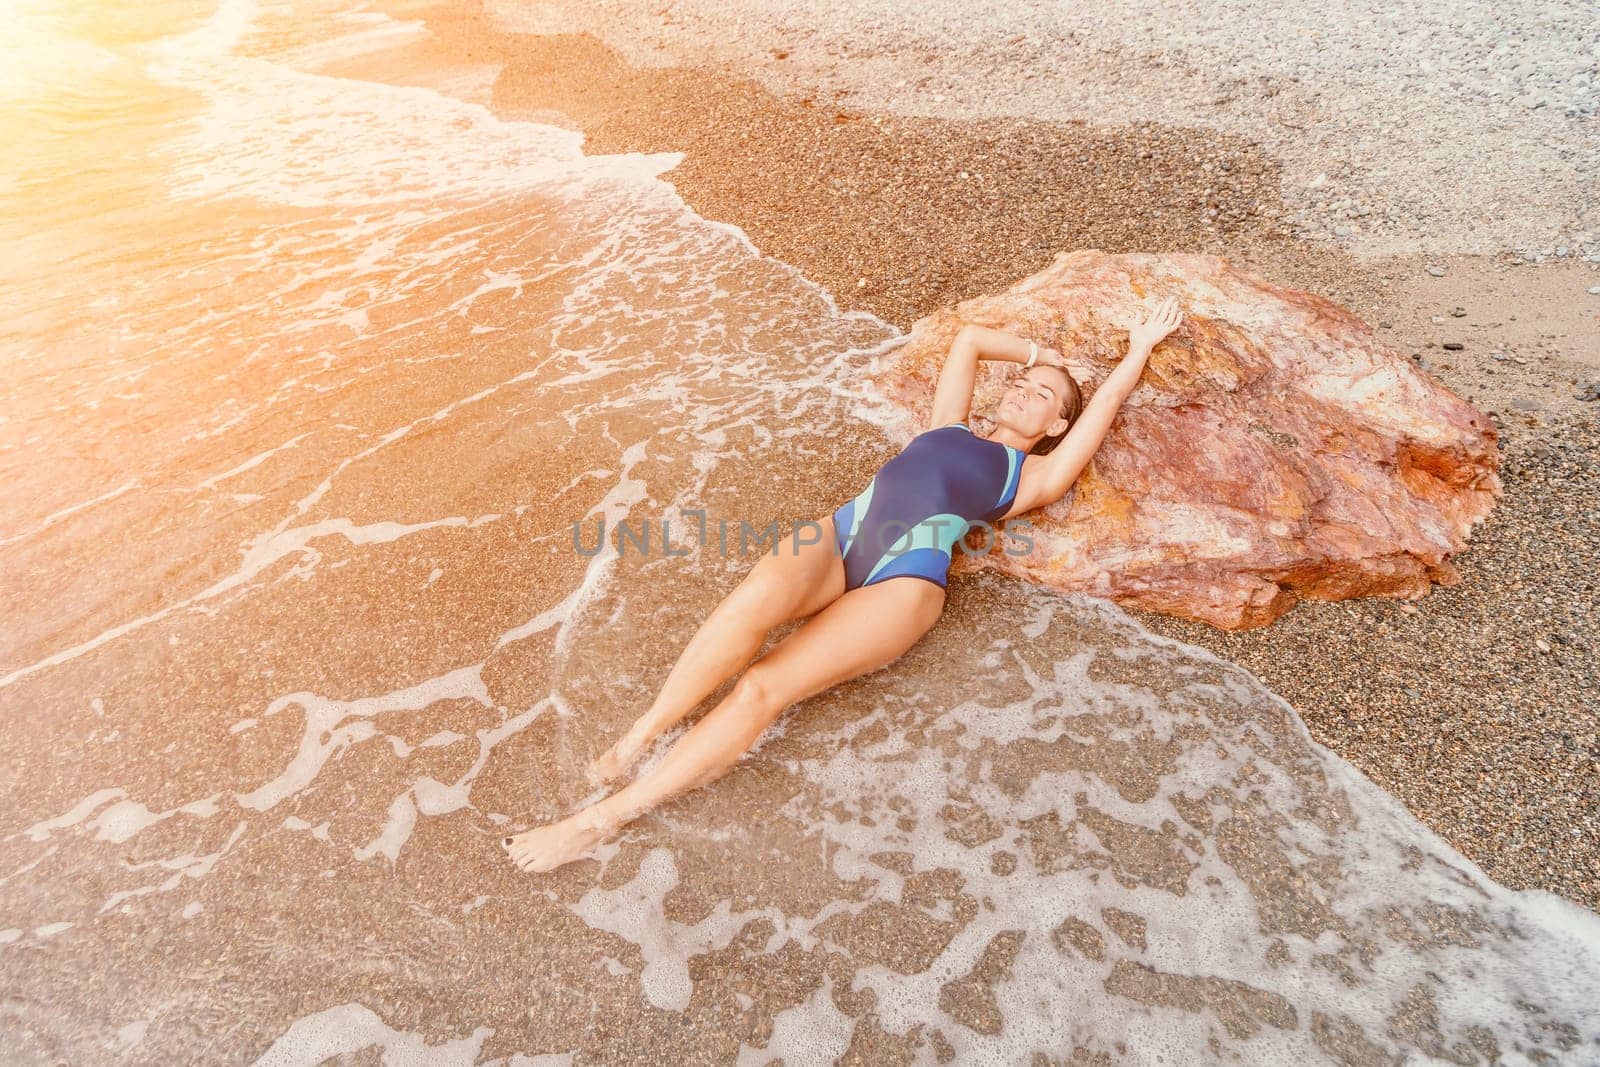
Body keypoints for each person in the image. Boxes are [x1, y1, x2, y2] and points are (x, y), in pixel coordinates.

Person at [502, 295, 1185, 872]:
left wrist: (1135, 352)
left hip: (903, 584)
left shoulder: (1031, 476)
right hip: (839, 537)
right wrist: (1044, 357)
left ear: (1055, 427)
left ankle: (605, 818)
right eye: (1023, 385)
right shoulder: (947, 424)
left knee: (763, 686)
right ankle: (638, 738)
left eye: (1043, 399)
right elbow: (973, 341)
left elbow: (1108, 404)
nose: (1025, 392)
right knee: (749, 605)